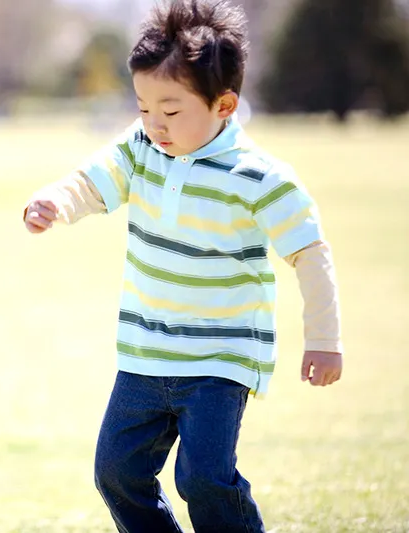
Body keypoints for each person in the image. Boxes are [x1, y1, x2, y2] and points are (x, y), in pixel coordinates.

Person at [22, 1, 344, 531]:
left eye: (170, 112)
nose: (154, 124)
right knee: (116, 472)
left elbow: (310, 253)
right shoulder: (141, 148)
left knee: (203, 478)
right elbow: (93, 180)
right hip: (145, 352)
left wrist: (324, 340)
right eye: (143, 108)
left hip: (220, 358)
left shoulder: (260, 177)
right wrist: (55, 201)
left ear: (224, 105)